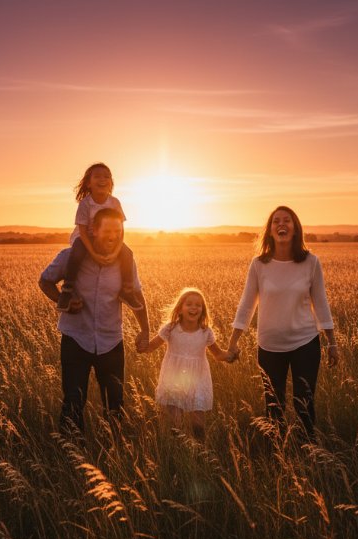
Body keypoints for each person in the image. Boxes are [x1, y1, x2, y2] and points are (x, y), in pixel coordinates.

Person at [226, 206, 339, 440]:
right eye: (276, 221)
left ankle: (307, 452)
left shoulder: (311, 262)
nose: (281, 225)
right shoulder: (259, 264)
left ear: (295, 228)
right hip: (269, 346)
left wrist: (332, 343)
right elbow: (247, 304)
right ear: (269, 230)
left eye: (287, 221)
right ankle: (277, 454)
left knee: (304, 403)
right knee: (273, 406)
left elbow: (321, 303)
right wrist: (234, 341)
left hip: (305, 343)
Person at [39, 207, 150, 433]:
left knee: (115, 404)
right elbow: (45, 281)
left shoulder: (126, 262)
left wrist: (145, 330)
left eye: (117, 231)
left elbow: (136, 295)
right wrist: (63, 300)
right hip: (75, 339)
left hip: (111, 341)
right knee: (73, 401)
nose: (113, 236)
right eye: (107, 230)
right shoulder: (70, 257)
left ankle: (113, 451)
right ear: (93, 231)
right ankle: (72, 452)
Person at [141, 288, 234, 440]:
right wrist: (141, 342)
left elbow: (217, 354)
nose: (194, 308)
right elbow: (150, 347)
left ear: (202, 310)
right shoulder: (171, 328)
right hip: (173, 378)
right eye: (189, 304)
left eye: (198, 305)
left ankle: (199, 454)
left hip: (197, 380)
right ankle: (176, 453)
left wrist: (230, 355)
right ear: (180, 308)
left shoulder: (206, 332)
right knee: (174, 425)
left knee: (198, 424)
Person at [57, 162, 143, 313]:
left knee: (128, 253)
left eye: (107, 176)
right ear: (89, 183)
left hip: (109, 237)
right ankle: (67, 290)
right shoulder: (86, 203)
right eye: (97, 176)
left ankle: (127, 291)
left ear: (111, 182)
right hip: (85, 239)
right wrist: (94, 254)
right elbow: (83, 231)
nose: (102, 179)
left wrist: (116, 252)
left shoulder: (114, 202)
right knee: (76, 253)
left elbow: (121, 230)